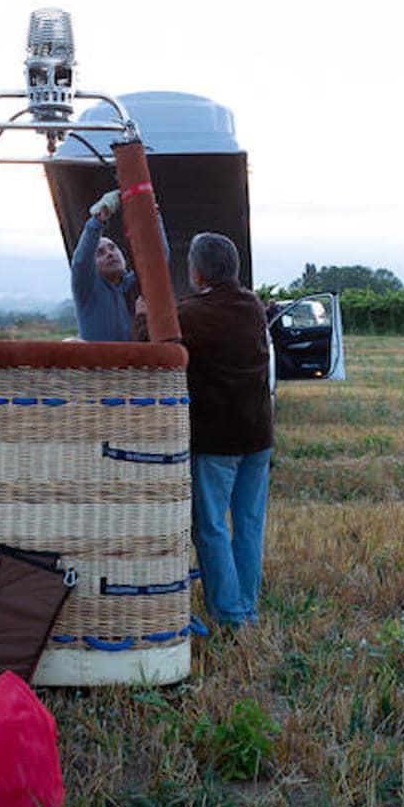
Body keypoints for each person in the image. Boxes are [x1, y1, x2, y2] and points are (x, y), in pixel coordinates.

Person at [138, 232, 273, 627]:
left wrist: (143, 315)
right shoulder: (251, 305)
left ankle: (230, 614)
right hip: (258, 437)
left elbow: (153, 350)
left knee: (211, 527)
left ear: (196, 273)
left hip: (219, 441)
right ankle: (246, 608)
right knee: (248, 524)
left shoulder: (195, 314)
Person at [71, 189, 164, 341]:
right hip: (102, 364)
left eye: (113, 247)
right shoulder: (87, 289)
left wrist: (152, 214)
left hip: (136, 363)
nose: (109, 253)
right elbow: (81, 262)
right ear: (92, 266)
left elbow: (158, 260)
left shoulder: (133, 284)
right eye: (100, 252)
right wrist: (98, 220)